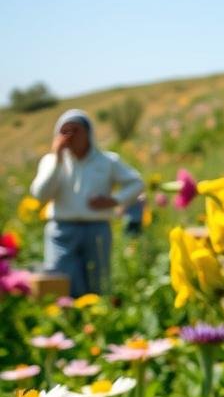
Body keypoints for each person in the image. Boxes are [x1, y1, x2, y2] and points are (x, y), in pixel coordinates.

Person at [29, 109, 144, 296]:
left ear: (88, 133)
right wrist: (57, 160)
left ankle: (95, 321)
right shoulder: (51, 161)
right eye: (65, 131)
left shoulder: (107, 161)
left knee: (97, 282)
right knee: (61, 281)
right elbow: (40, 195)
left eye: (76, 130)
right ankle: (68, 319)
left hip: (96, 228)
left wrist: (115, 200)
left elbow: (136, 183)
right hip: (62, 231)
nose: (71, 136)